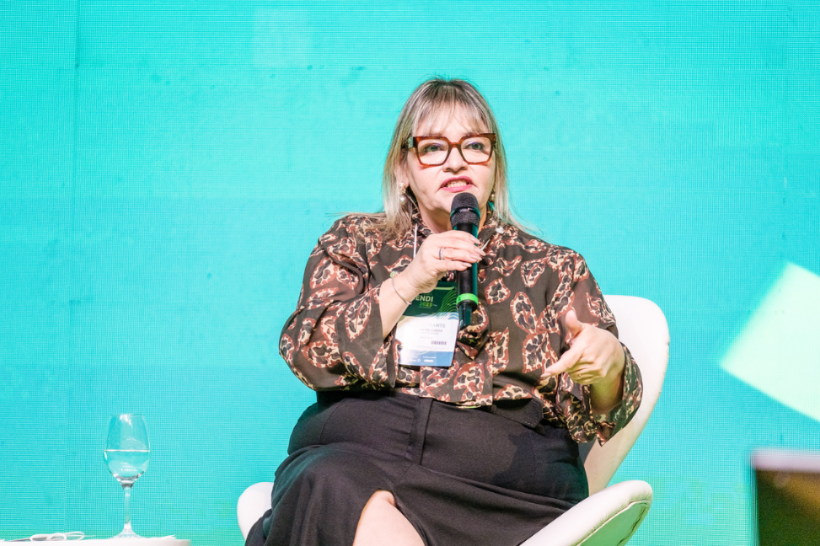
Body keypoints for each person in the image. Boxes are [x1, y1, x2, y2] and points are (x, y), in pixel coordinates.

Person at [246, 78, 642, 546]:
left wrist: (610, 367)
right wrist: (410, 280)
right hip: (360, 454)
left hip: (500, 489)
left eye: (474, 145)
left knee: (327, 492)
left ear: (495, 165)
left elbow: (605, 413)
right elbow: (310, 351)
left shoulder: (553, 267)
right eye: (434, 148)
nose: (456, 161)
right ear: (402, 169)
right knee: (331, 481)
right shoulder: (356, 242)